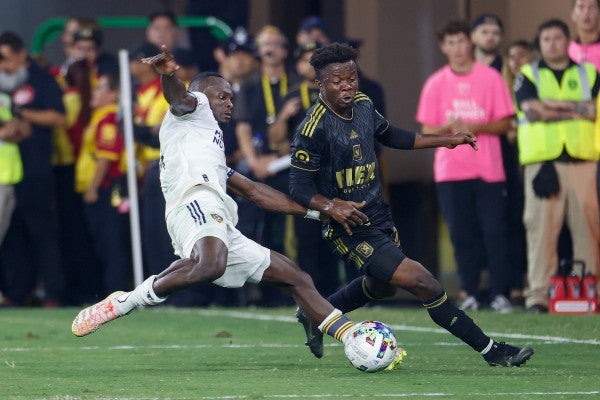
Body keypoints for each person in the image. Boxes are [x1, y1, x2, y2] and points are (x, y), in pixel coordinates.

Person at [71, 48, 360, 355]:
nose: (229, 102)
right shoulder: (194, 109)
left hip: (217, 217)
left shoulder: (208, 143)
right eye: (222, 96)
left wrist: (322, 212)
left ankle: (350, 337)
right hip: (193, 201)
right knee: (210, 263)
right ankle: (125, 302)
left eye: (230, 97)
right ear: (202, 95)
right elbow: (180, 99)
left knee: (296, 277)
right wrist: (169, 73)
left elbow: (254, 191)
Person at [289, 42, 532, 367]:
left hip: (378, 215)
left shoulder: (363, 103)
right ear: (320, 84)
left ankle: (313, 311)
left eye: (351, 78)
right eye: (337, 81)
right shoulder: (312, 127)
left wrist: (446, 139)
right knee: (424, 282)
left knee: (382, 288)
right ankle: (493, 351)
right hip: (347, 227)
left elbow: (391, 135)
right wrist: (332, 206)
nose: (347, 86)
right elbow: (298, 187)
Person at [416, 20, 515, 313]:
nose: (458, 48)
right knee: (461, 234)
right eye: (451, 42)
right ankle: (469, 291)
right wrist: (448, 127)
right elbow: (425, 130)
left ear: (470, 42)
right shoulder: (435, 83)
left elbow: (506, 122)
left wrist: (476, 124)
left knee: (495, 232)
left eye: (462, 41)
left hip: (488, 169)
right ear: (443, 47)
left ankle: (500, 293)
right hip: (451, 171)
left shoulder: (491, 78)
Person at [514, 19, 600, 312]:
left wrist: (553, 105)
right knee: (540, 229)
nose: (552, 43)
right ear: (540, 44)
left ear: (567, 41)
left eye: (558, 37)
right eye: (546, 38)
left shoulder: (589, 73)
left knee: (589, 227)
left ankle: (589, 289)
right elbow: (532, 111)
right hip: (543, 163)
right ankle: (538, 294)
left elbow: (593, 112)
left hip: (582, 161)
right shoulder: (528, 74)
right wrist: (572, 107)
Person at [0, 31, 66, 307]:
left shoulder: (41, 80)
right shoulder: (4, 86)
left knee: (42, 232)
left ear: (21, 54)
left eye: (5, 58)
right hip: (7, 173)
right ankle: (17, 292)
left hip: (36, 169)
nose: (3, 65)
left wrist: (22, 115)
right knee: (12, 237)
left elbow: (59, 117)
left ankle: (53, 292)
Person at [471, 14, 527, 308]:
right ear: (473, 37)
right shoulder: (464, 72)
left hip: (506, 154)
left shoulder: (509, 70)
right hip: (470, 157)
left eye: (496, 32)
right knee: (476, 226)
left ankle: (512, 285)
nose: (491, 37)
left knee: (509, 220)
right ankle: (477, 287)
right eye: (485, 31)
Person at [75, 72, 132, 297]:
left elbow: (106, 157)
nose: (95, 92)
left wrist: (93, 187)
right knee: (105, 242)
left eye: (101, 88)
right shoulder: (100, 116)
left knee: (111, 242)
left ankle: (116, 293)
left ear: (114, 94)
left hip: (107, 188)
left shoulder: (108, 118)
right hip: (103, 188)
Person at [569, 0, 600, 71]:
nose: (586, 12)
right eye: (581, 7)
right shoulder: (567, 50)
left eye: (592, 7)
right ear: (573, 14)